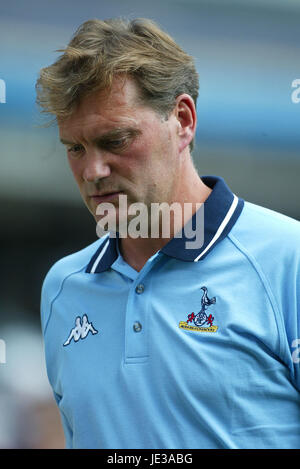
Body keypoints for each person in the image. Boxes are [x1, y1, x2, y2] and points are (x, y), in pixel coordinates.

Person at [37, 17, 300, 449]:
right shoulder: (63, 288)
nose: (92, 171)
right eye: (75, 148)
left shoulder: (287, 260)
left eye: (116, 140)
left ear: (182, 119)